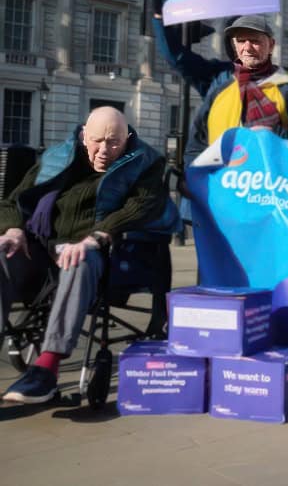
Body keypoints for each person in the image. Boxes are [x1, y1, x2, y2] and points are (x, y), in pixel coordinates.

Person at [0, 108, 179, 404]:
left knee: (77, 260)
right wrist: (13, 230)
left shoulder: (145, 161)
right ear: (84, 135)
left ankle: (46, 368)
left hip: (99, 252)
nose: (104, 150)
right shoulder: (57, 156)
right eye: (97, 141)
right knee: (3, 254)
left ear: (127, 138)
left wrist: (95, 237)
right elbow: (12, 201)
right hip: (42, 245)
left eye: (114, 142)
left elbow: (143, 205)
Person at [179, 15, 288, 166]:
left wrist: (274, 134)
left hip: (270, 184)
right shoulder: (220, 90)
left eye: (255, 41)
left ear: (271, 45)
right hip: (222, 184)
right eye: (241, 41)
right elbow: (196, 144)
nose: (247, 47)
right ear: (235, 46)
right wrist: (194, 177)